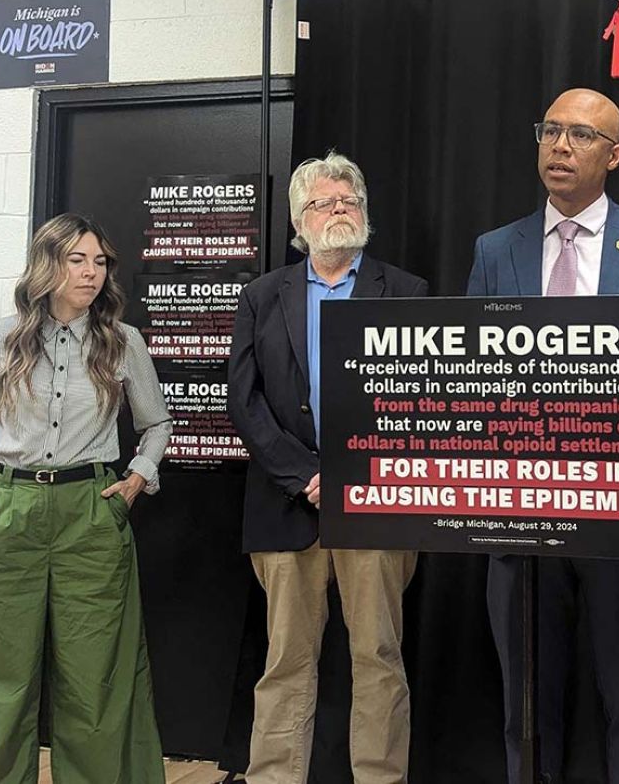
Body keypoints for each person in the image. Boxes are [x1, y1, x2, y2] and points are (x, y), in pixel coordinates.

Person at [467, 87, 619, 784]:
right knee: (525, 702)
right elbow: (469, 379)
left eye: (580, 134)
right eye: (550, 130)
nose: (561, 146)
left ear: (616, 153)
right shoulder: (495, 249)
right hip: (519, 519)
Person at [0, 213, 172, 784]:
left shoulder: (122, 341)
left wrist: (136, 479)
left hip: (89, 515)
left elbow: (157, 423)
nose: (92, 273)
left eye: (100, 262)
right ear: (48, 264)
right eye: (78, 260)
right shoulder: (0, 338)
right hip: (9, 510)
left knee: (96, 679)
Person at [227, 150, 428, 784]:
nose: (336, 210)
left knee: (378, 657)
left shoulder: (405, 292)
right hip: (287, 507)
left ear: (363, 213)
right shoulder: (263, 295)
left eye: (347, 201)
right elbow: (244, 399)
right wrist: (307, 474)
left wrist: (353, 473)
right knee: (286, 661)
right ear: (298, 220)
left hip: (377, 505)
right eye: (322, 202)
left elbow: (423, 397)